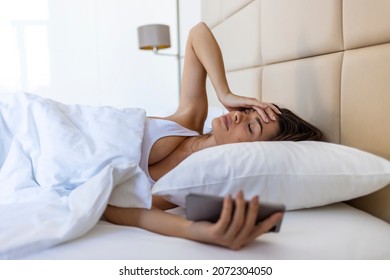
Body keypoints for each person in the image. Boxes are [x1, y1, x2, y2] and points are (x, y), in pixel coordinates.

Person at [103, 22, 322, 250]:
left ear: (256, 152)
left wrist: (194, 231)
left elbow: (123, 211)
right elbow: (197, 33)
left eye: (250, 128)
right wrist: (224, 93)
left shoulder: (187, 182)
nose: (238, 116)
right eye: (247, 111)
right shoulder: (189, 120)